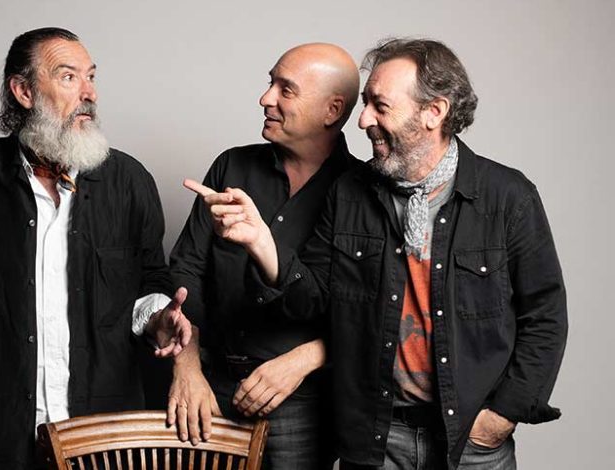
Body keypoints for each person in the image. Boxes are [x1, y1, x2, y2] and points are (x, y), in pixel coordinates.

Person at [187, 38, 567, 469]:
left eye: (379, 106)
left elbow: (545, 315)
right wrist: (261, 243)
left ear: (434, 112)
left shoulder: (508, 197)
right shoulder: (350, 192)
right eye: (365, 102)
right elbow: (314, 302)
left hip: (471, 443)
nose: (363, 119)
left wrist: (501, 416)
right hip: (376, 439)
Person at [0, 27, 191, 470]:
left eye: (91, 76)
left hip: (106, 440)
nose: (89, 93)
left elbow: (147, 286)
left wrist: (161, 321)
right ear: (24, 91)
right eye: (69, 77)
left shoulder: (130, 182)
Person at [168, 43, 362, 469]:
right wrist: (188, 368)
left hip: (300, 400)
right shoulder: (231, 167)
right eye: (270, 83)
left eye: (285, 89)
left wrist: (303, 360)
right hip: (208, 386)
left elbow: (367, 311)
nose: (265, 98)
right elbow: (186, 269)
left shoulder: (362, 193)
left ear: (332, 110)